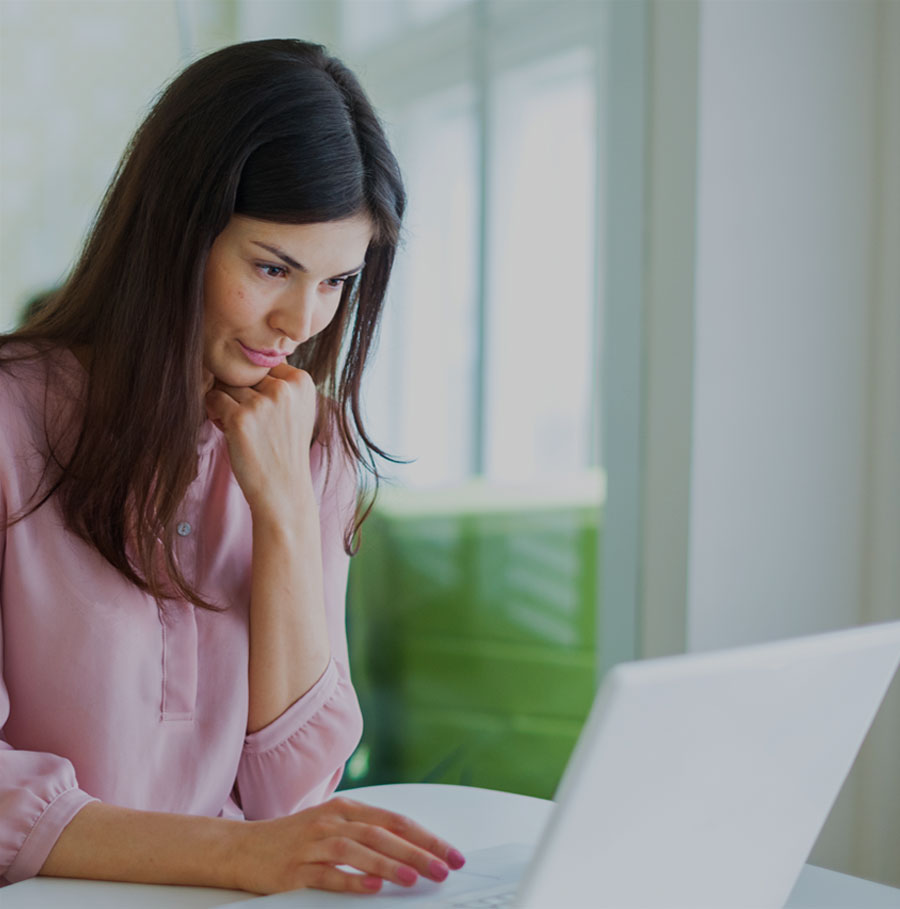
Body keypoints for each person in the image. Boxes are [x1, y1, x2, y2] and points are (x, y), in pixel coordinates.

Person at [0, 38, 465, 895]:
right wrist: (238, 853)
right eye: (271, 267)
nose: (300, 320)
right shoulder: (10, 419)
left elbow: (294, 796)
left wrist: (285, 509)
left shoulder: (306, 442)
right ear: (176, 233)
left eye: (336, 282)